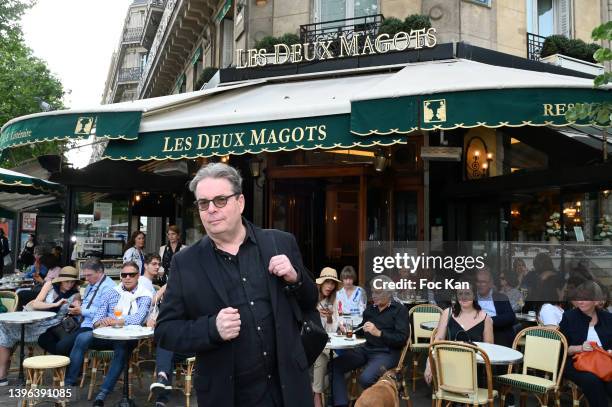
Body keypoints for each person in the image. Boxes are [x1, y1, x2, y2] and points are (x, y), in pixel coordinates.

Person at [155, 163, 318, 407]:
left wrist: (296, 278)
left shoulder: (280, 242)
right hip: (228, 395)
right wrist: (212, 329)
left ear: (240, 202)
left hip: (288, 389)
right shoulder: (185, 263)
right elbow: (165, 331)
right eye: (203, 203)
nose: (211, 209)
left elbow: (310, 300)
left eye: (220, 200)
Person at [79, 261, 152, 406]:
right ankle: (69, 383)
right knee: (82, 338)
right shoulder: (112, 293)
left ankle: (102, 395)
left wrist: (117, 321)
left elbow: (138, 318)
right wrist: (103, 322)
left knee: (121, 350)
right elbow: (96, 319)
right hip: (107, 335)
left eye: (131, 274)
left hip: (129, 336)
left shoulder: (144, 294)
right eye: (124, 275)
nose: (127, 277)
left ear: (138, 276)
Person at [331, 275, 409, 407]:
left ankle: (381, 402)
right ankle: (341, 404)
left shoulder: (399, 310)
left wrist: (379, 333)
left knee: (365, 378)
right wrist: (348, 329)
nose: (374, 295)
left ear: (388, 293)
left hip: (387, 352)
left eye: (378, 292)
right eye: (373, 291)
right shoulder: (370, 309)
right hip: (366, 349)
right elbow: (362, 329)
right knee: (334, 366)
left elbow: (401, 339)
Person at [0, 266, 80, 384]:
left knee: (8, 332)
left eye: (72, 282)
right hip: (34, 319)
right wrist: (54, 305)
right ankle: (2, 374)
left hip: (51, 325)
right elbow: (36, 304)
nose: (70, 284)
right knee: (4, 327)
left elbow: (76, 310)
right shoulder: (50, 285)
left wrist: (77, 308)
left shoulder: (75, 294)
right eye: (67, 281)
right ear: (60, 279)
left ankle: (3, 372)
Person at [42, 258, 115, 358]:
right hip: (78, 322)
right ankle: (68, 359)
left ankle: (67, 361)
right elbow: (89, 304)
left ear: (100, 272)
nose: (86, 279)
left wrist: (82, 310)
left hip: (91, 326)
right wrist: (79, 305)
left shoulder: (108, 287)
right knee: (43, 338)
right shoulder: (91, 285)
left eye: (89, 275)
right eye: (85, 275)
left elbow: (104, 313)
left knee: (61, 347)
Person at [424, 283, 494, 384]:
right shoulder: (447, 313)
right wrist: (429, 363)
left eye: (467, 293)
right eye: (460, 293)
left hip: (474, 369)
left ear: (474, 295)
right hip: (450, 365)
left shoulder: (485, 318)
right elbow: (437, 341)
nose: (463, 297)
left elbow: (489, 350)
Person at [559, 281, 612, 407]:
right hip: (576, 362)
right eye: (578, 298)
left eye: (585, 298)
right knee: (592, 380)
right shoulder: (569, 317)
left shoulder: (607, 318)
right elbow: (561, 347)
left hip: (604, 361)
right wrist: (580, 348)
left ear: (596, 301)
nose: (580, 302)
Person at [313, 267, 342, 407]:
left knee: (340, 366)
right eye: (327, 282)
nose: (330, 286)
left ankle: (313, 390)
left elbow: (331, 330)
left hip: (326, 344)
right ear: (320, 283)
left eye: (332, 283)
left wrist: (330, 318)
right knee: (322, 358)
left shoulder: (333, 301)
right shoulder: (311, 298)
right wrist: (316, 313)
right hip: (310, 343)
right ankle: (317, 397)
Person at [475, 267, 516, 347]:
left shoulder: (500, 297)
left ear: (490, 283)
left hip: (497, 331)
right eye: (478, 282)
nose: (480, 285)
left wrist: (489, 321)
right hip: (477, 333)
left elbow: (510, 317)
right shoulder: (471, 297)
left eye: (483, 282)